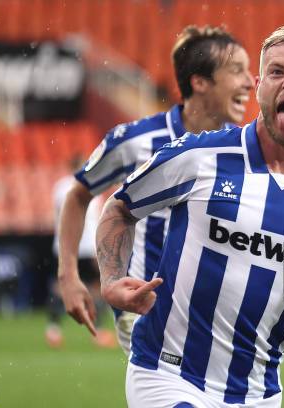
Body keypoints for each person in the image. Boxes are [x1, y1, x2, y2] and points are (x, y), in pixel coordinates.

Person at [96, 22, 284, 407]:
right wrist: (112, 277)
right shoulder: (198, 156)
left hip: (259, 393)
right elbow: (120, 208)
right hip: (169, 375)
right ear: (260, 85)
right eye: (278, 71)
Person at [57, 25, 254, 354]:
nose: (250, 82)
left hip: (216, 318)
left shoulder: (245, 149)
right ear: (200, 82)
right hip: (146, 311)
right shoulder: (136, 141)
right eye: (237, 71)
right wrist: (68, 275)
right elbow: (78, 195)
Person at [46, 155, 116, 349]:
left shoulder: (61, 187)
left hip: (65, 245)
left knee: (62, 287)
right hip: (86, 246)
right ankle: (98, 331)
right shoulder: (93, 187)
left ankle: (53, 330)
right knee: (96, 287)